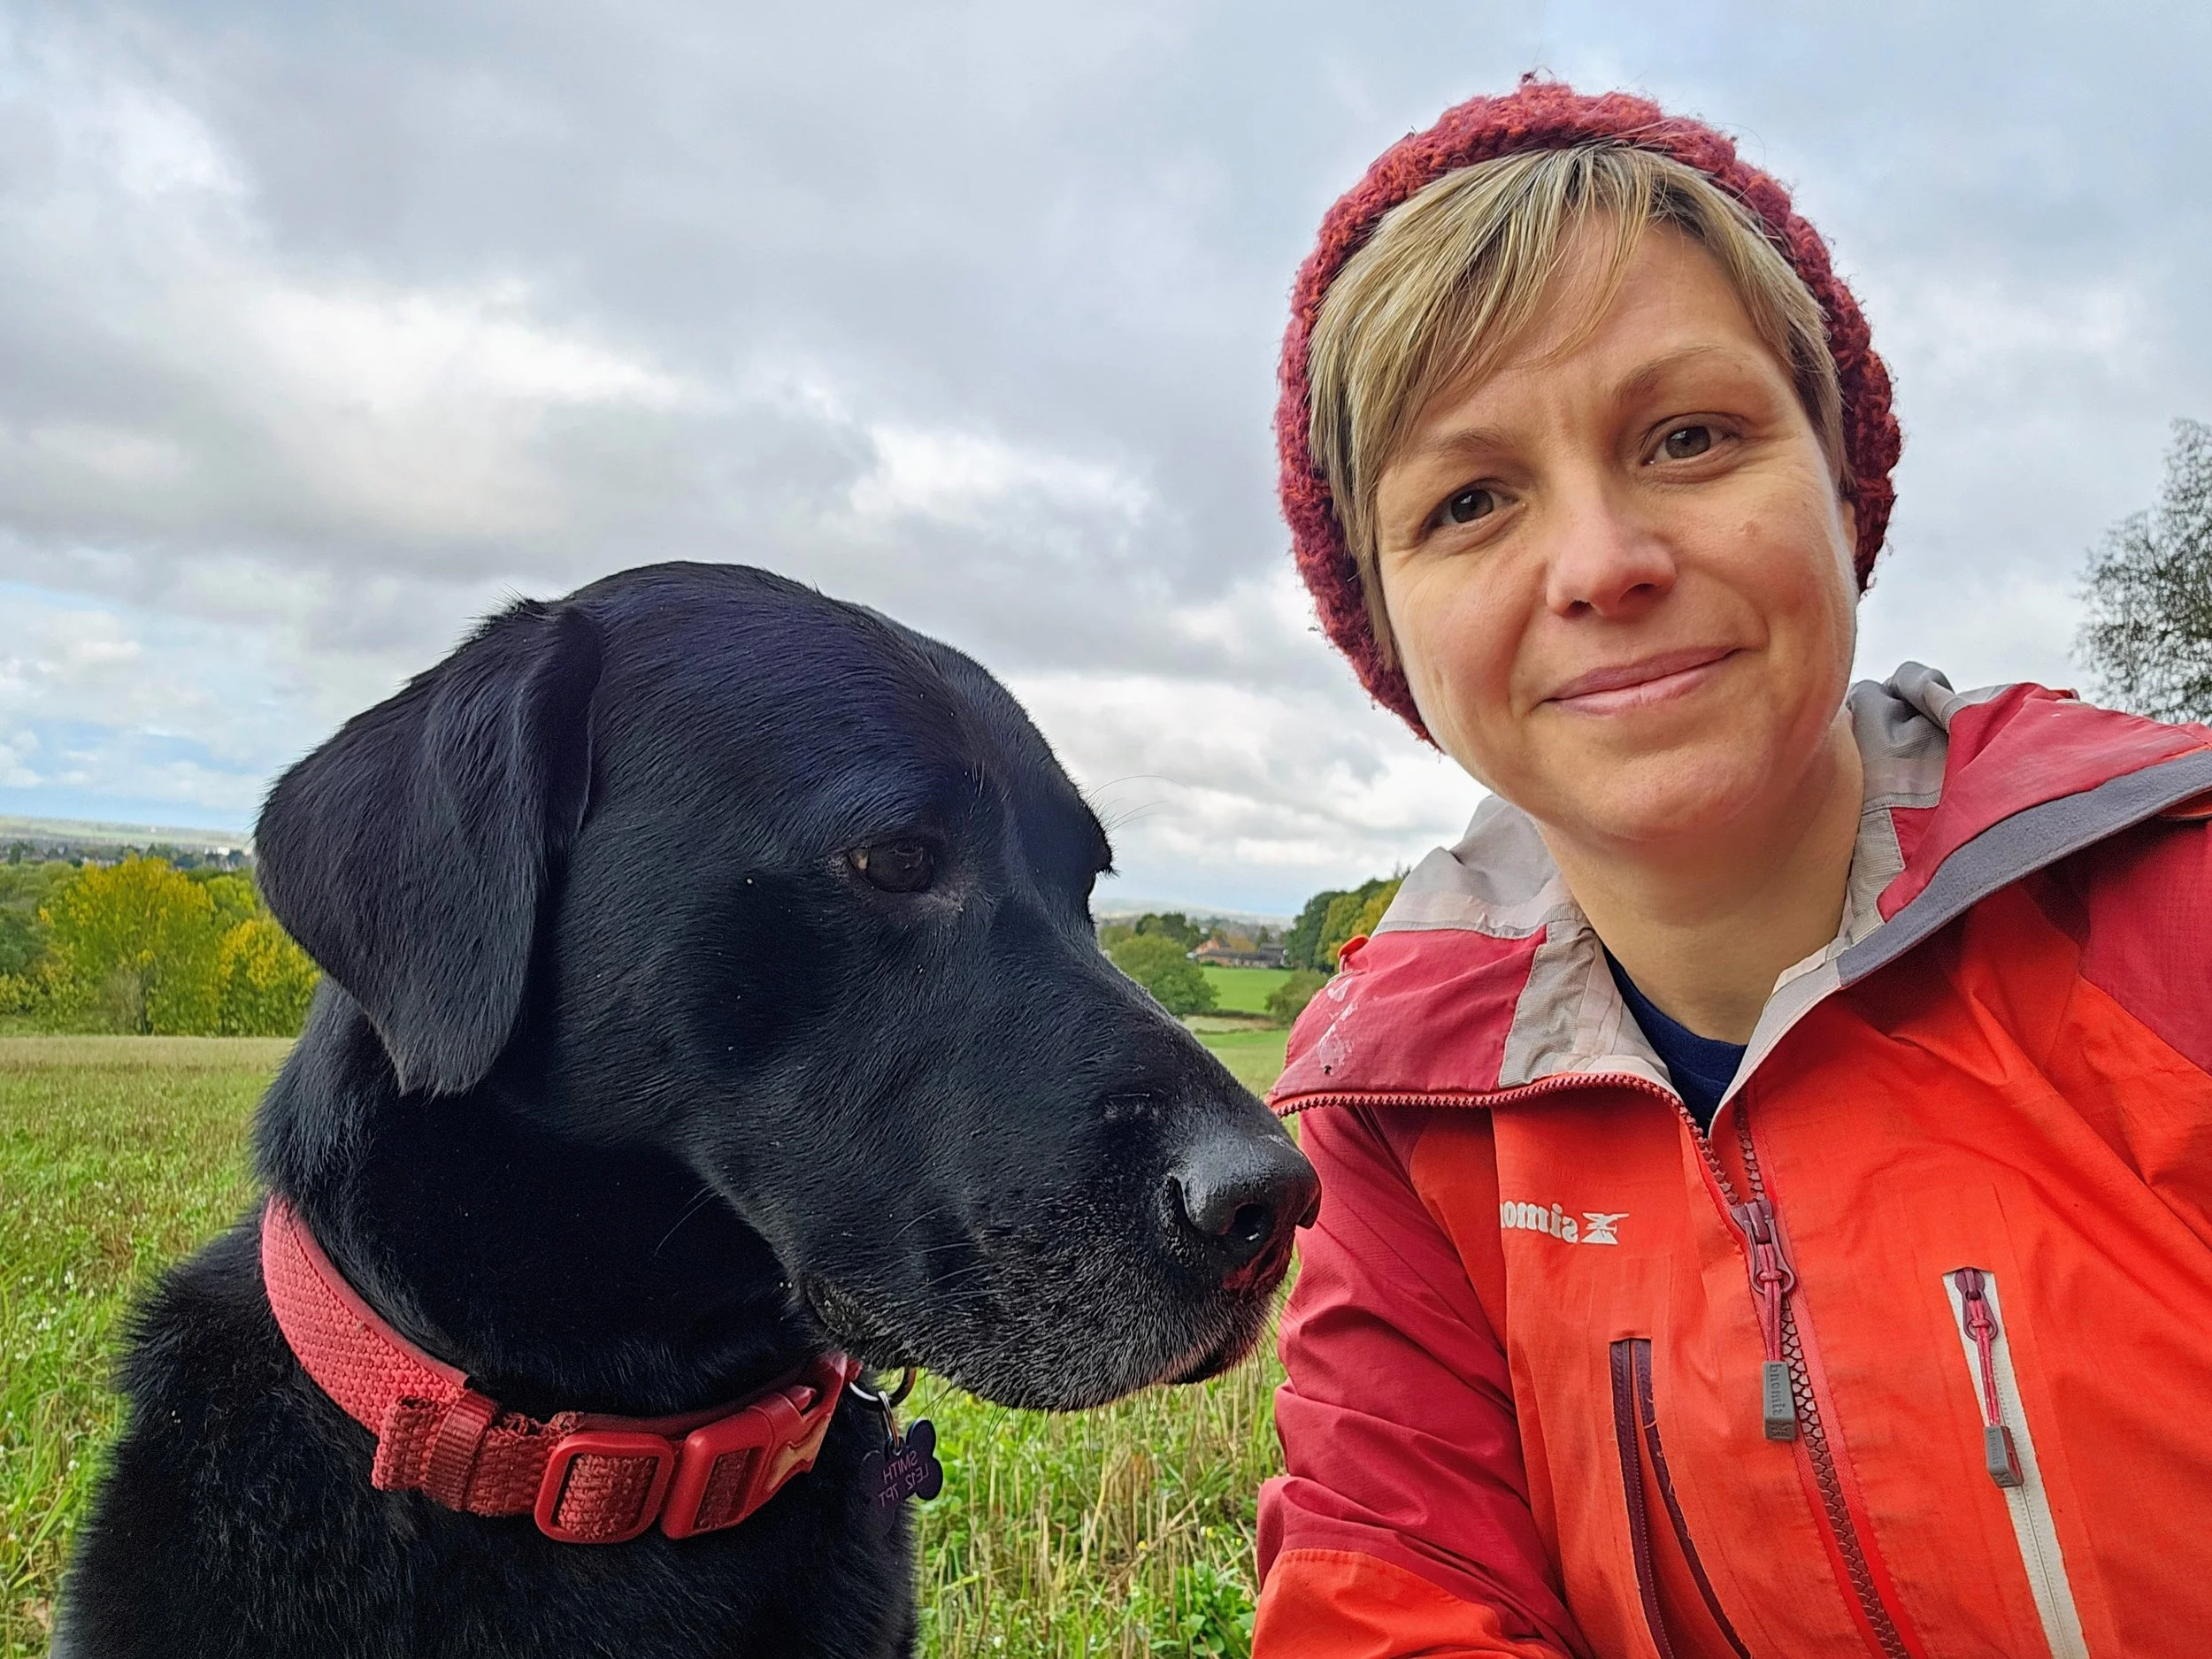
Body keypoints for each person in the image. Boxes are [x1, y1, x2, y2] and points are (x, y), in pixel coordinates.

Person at [1255, 80, 2212, 1658]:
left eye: (1689, 436)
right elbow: (1391, 1599)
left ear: (1842, 486)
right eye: (1472, 499)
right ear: (1386, 628)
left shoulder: (2162, 896)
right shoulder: (1399, 1124)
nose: (1603, 562)